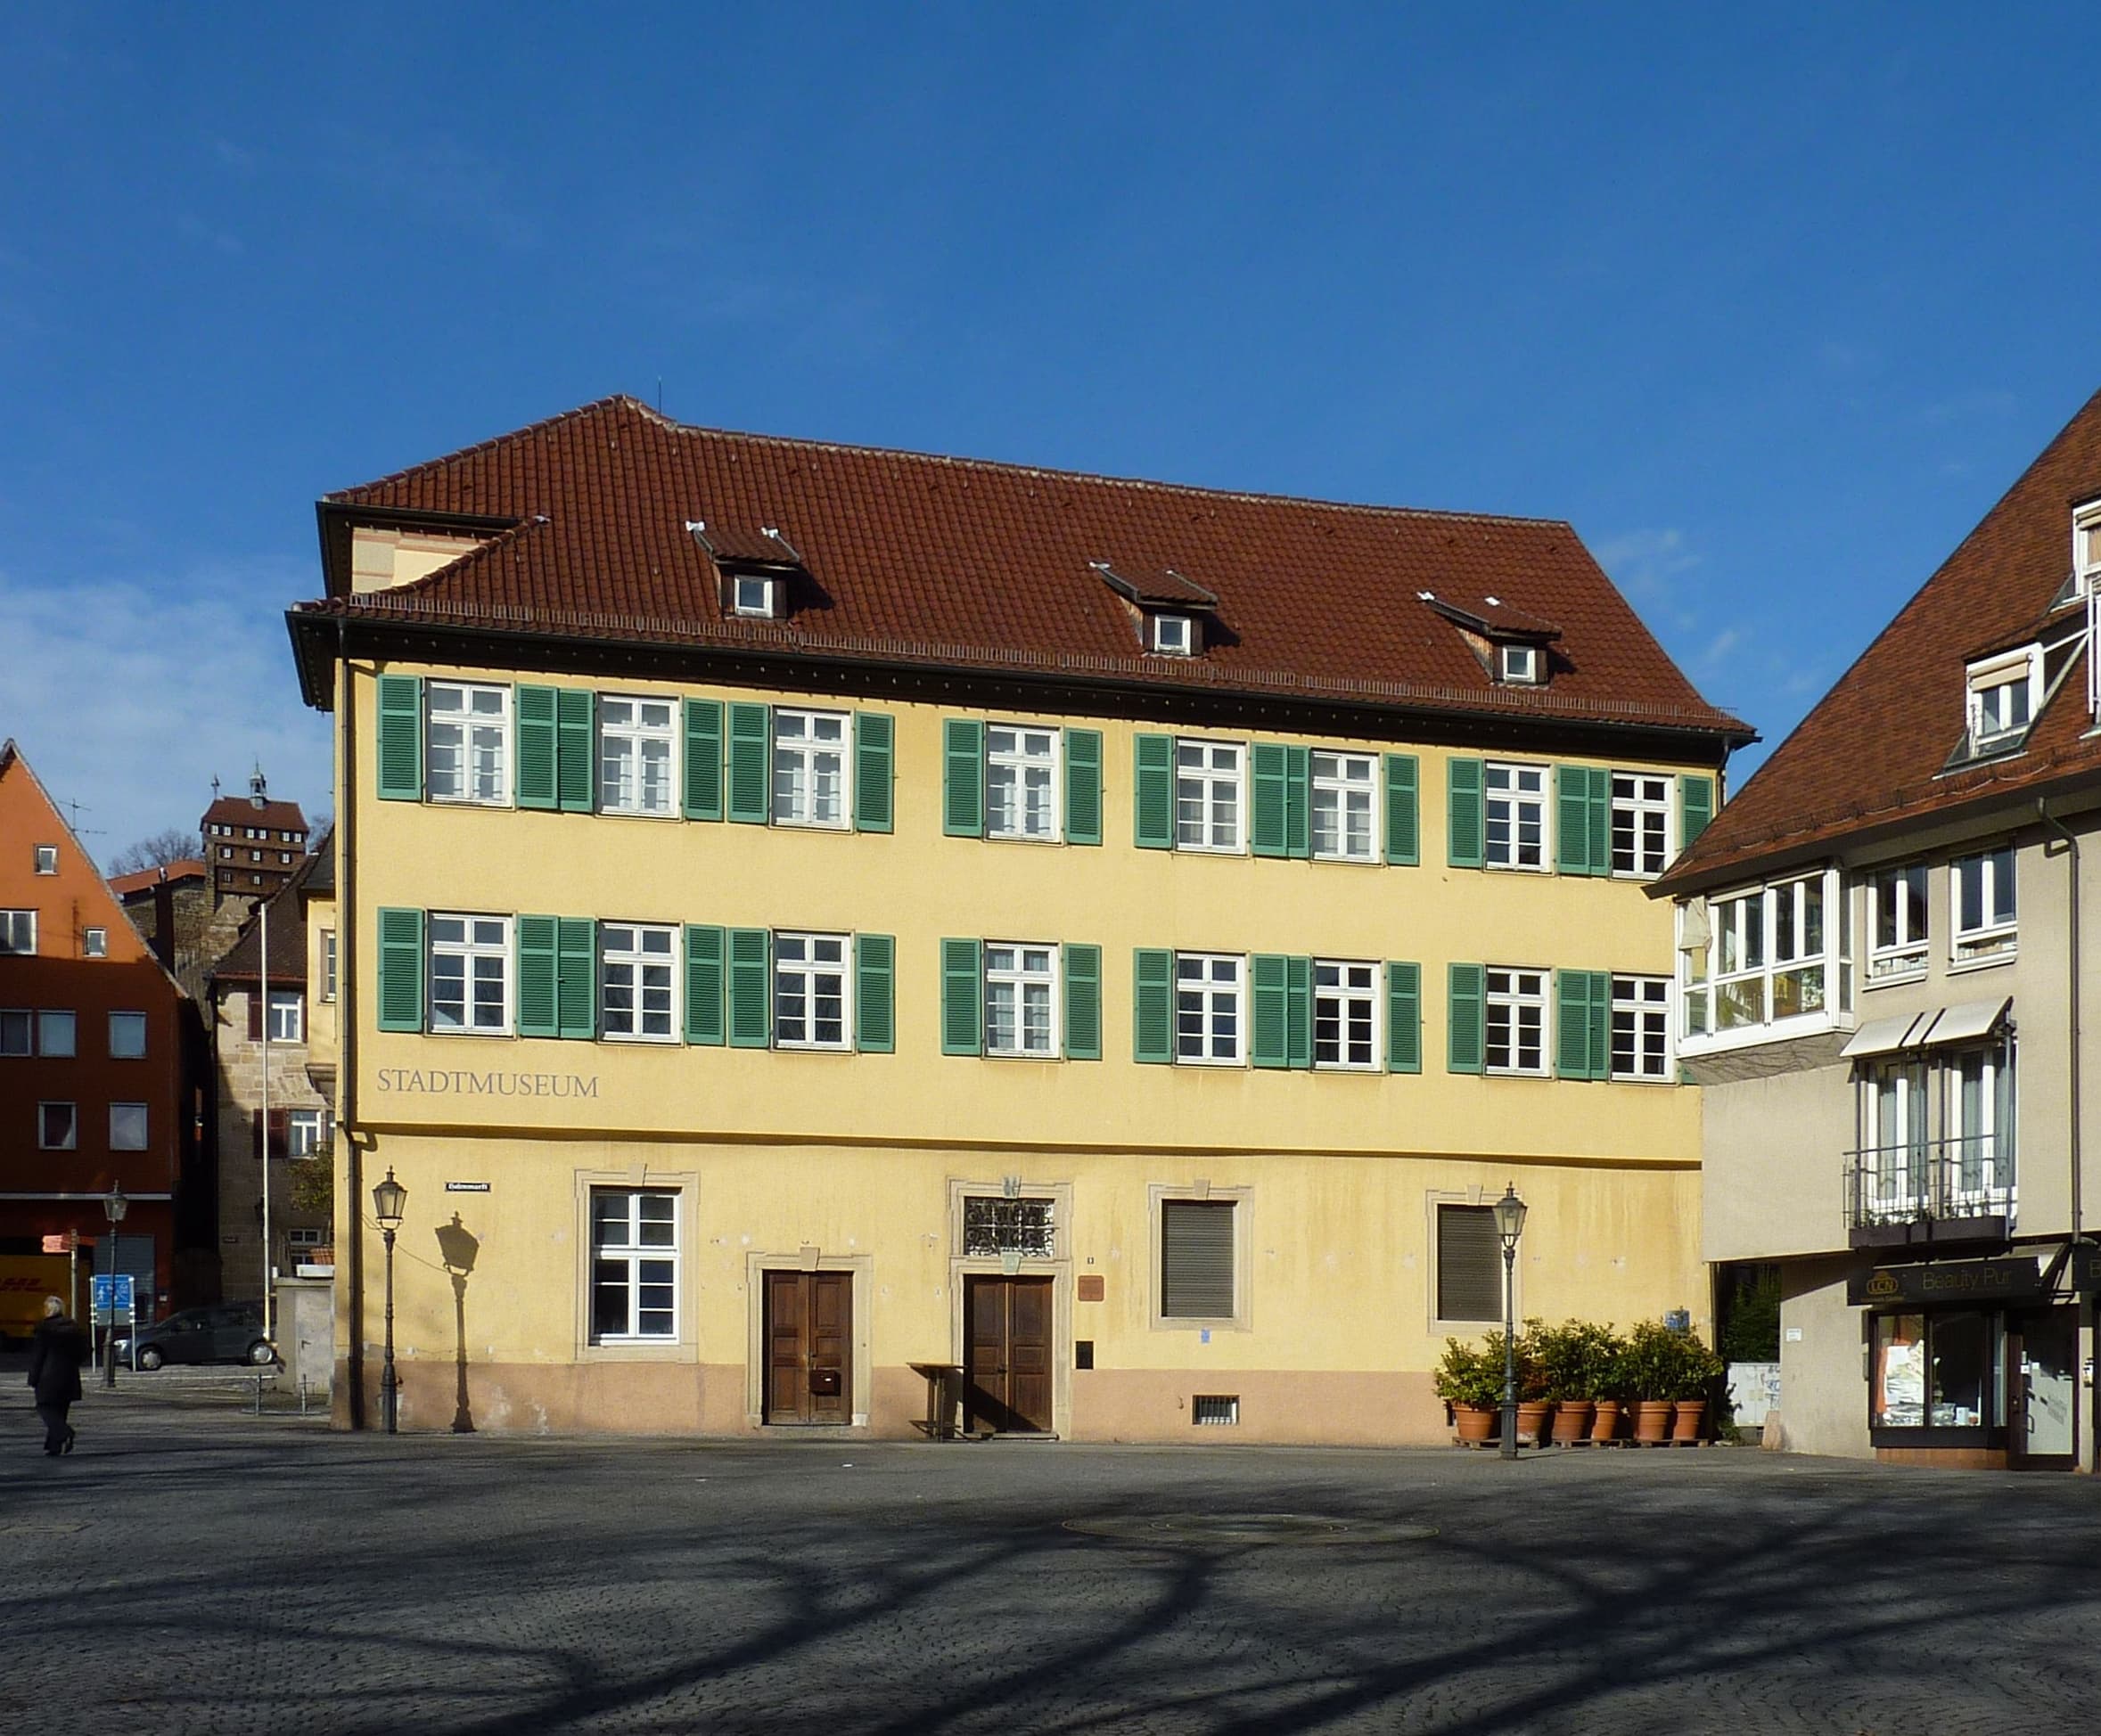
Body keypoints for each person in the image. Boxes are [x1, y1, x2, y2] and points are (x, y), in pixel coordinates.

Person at [28, 1296, 89, 1456]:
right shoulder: (74, 1328)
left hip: (47, 1376)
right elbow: (85, 1351)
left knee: (44, 1406)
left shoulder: (45, 1329)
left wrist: (33, 1377)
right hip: (69, 1376)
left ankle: (65, 1433)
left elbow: (38, 1356)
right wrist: (74, 1362)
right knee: (61, 1411)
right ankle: (54, 1446)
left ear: (48, 1310)